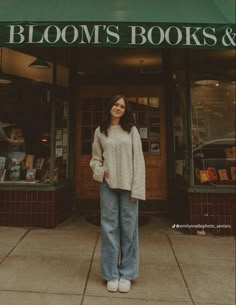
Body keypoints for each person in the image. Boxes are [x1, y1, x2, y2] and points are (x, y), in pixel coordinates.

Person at [90, 94, 146, 293]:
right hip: (108, 186)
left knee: (129, 230)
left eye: (122, 106)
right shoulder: (100, 131)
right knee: (109, 229)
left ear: (125, 110)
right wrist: (100, 171)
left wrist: (137, 189)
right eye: (115, 104)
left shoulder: (131, 131)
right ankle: (111, 274)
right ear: (109, 107)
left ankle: (127, 273)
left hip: (129, 187)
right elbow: (95, 159)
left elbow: (139, 161)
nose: (118, 108)